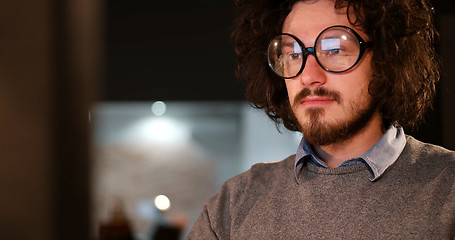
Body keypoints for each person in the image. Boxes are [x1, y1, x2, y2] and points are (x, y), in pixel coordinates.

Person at [187, 0, 455, 238]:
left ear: (387, 59)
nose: (308, 75)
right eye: (293, 54)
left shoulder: (448, 189)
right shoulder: (232, 206)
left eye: (335, 49)